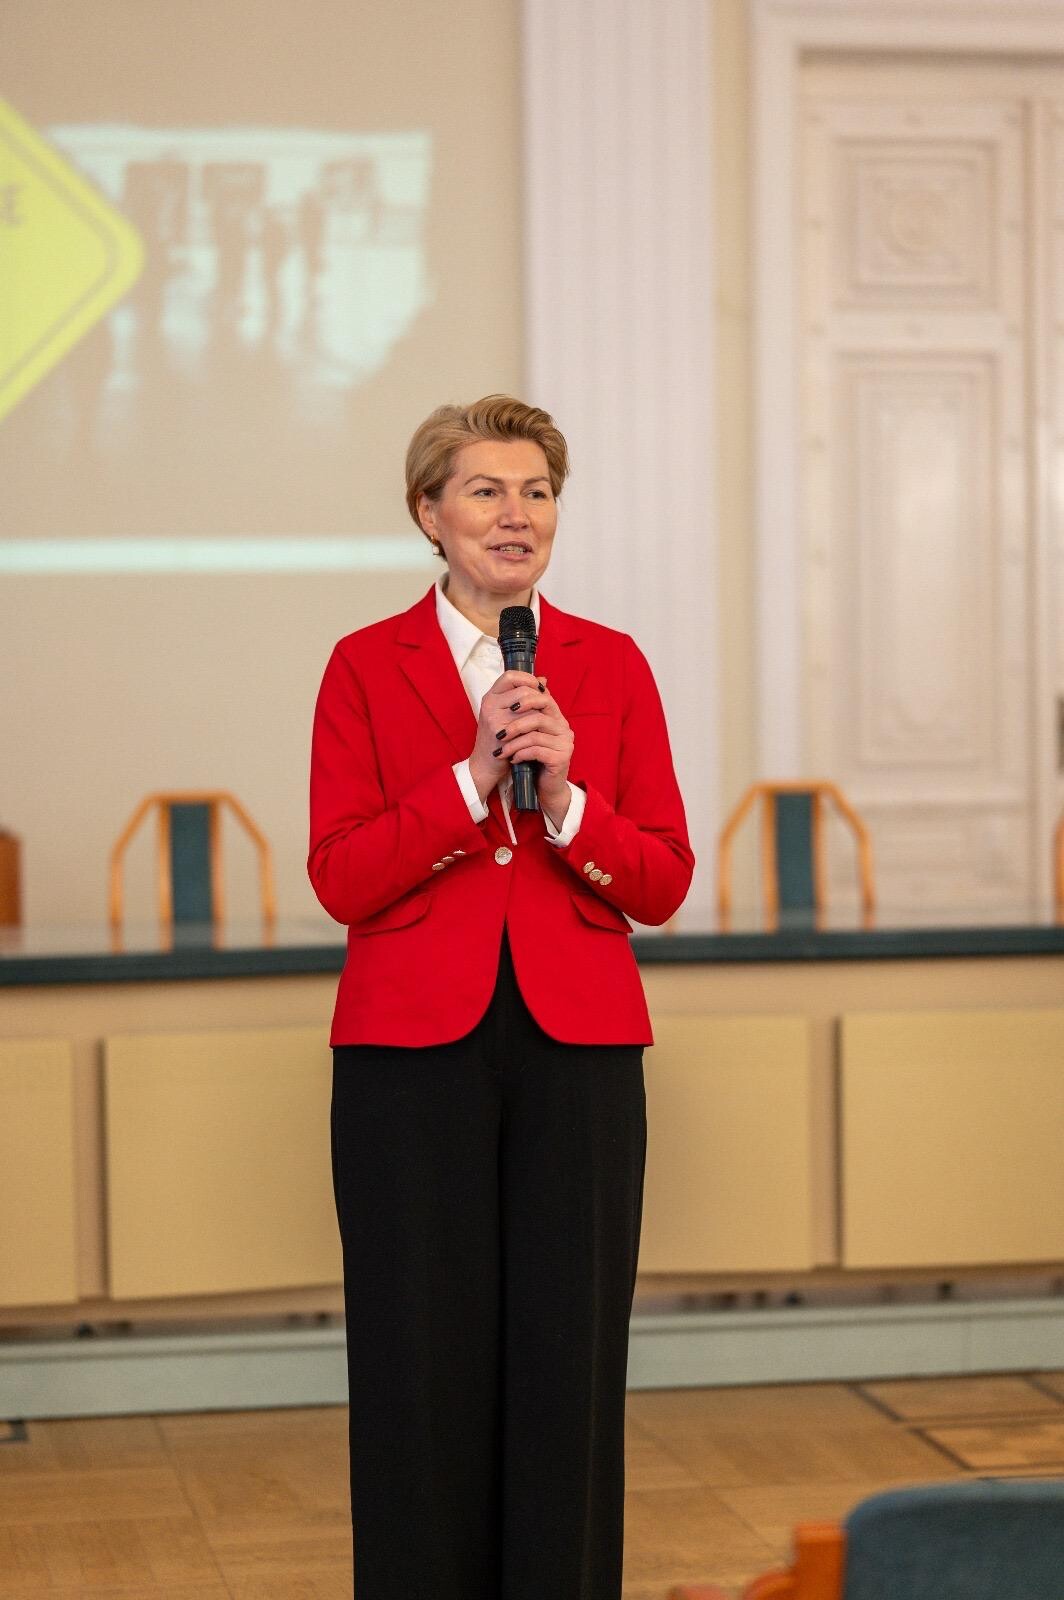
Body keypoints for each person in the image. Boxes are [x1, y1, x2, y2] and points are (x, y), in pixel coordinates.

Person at [308, 394, 693, 1600]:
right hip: (408, 1051)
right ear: (429, 513)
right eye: (485, 490)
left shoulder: (610, 663)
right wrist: (469, 780)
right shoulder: (364, 665)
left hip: (579, 1046)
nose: (514, 514)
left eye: (535, 492)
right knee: (416, 1359)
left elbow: (662, 879)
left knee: (570, 1357)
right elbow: (341, 875)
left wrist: (566, 800)